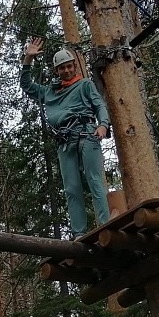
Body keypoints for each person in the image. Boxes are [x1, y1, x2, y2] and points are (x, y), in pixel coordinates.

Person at [20, 37, 111, 237]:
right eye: (62, 68)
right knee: (71, 189)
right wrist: (28, 59)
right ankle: (79, 233)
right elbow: (27, 85)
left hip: (86, 133)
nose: (67, 70)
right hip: (64, 141)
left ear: (74, 66)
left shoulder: (85, 84)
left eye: (69, 66)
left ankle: (105, 225)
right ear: (56, 71)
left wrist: (103, 125)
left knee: (95, 180)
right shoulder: (49, 93)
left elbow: (99, 105)